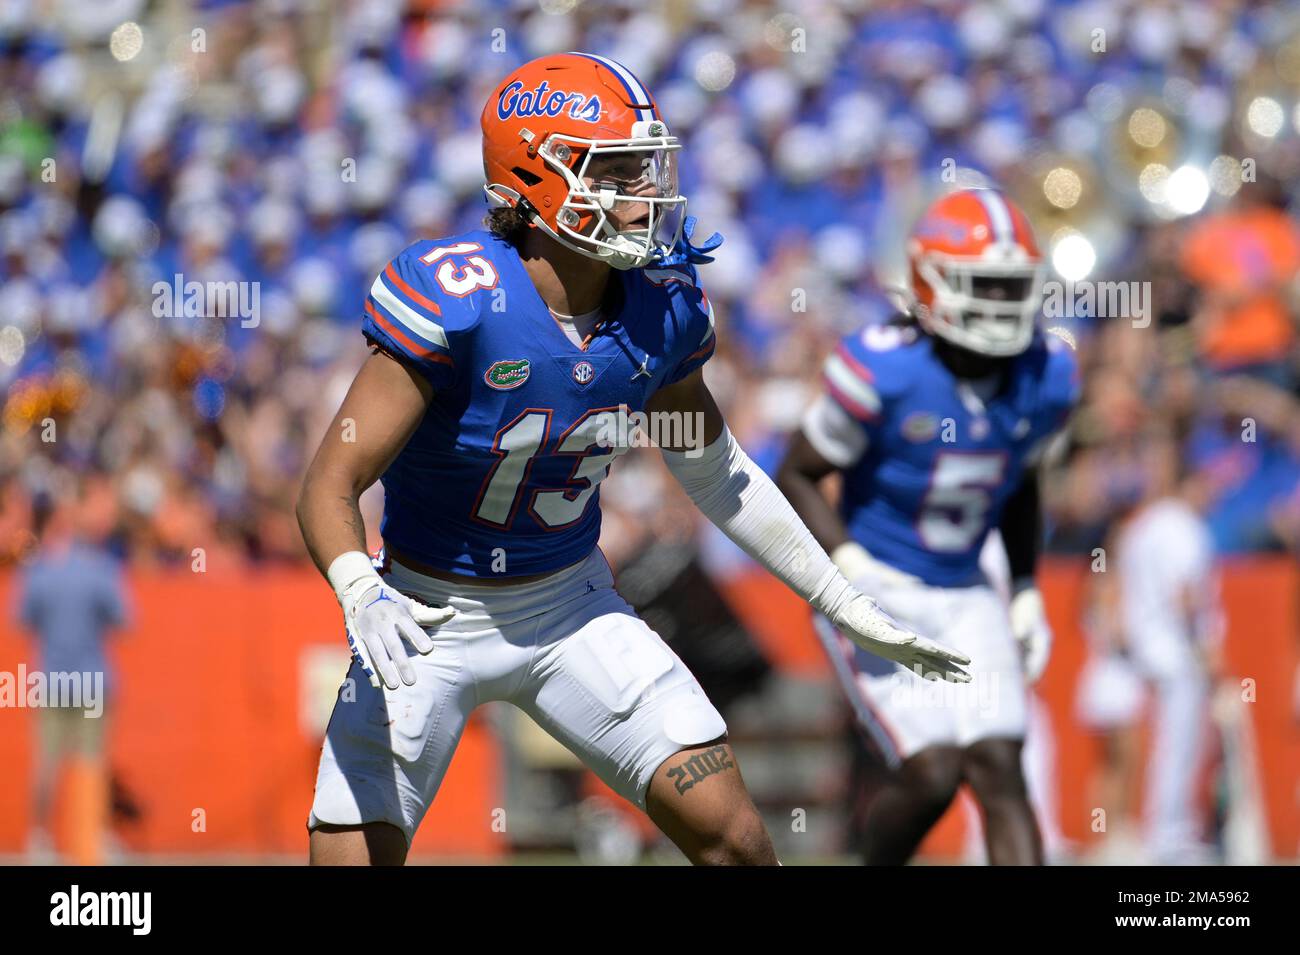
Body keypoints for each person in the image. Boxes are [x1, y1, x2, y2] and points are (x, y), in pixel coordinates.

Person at [296, 53, 969, 866]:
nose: (645, 195)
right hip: (427, 616)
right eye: (615, 173)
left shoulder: (659, 308)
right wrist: (360, 589)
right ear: (534, 181)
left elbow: (716, 474)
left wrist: (841, 600)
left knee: (738, 840)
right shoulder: (459, 298)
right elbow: (330, 482)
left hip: (569, 606)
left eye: (644, 169)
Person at [776, 188, 1078, 865]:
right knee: (933, 773)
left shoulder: (1047, 373)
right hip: (879, 582)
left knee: (1001, 762)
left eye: (1012, 287)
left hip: (966, 586)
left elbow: (1023, 481)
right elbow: (794, 473)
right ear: (930, 285)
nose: (1002, 305)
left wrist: (1025, 587)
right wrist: (849, 568)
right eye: (985, 286)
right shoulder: (886, 367)